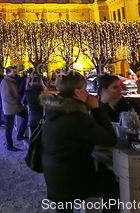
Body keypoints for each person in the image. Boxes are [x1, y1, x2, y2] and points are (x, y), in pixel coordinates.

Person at [40, 72, 119, 213]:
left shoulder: (57, 109)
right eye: (85, 89)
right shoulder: (75, 117)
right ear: (77, 92)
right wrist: (96, 109)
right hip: (70, 179)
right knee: (115, 188)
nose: (87, 92)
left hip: (56, 174)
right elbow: (109, 139)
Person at [1, 66, 28, 151]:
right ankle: (10, 145)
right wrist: (17, 102)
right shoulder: (6, 82)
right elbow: (7, 96)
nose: (15, 73)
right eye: (14, 72)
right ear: (8, 73)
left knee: (26, 116)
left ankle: (19, 135)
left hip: (14, 106)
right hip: (11, 107)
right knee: (9, 127)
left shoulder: (11, 81)